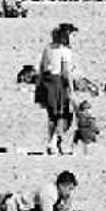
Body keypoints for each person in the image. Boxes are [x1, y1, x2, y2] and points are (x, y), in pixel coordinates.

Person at [38, 23, 78, 155]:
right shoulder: (65, 51)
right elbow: (66, 72)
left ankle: (52, 142)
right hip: (58, 83)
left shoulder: (48, 48)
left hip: (46, 81)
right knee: (62, 115)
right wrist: (71, 90)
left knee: (52, 115)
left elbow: (42, 67)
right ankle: (54, 141)